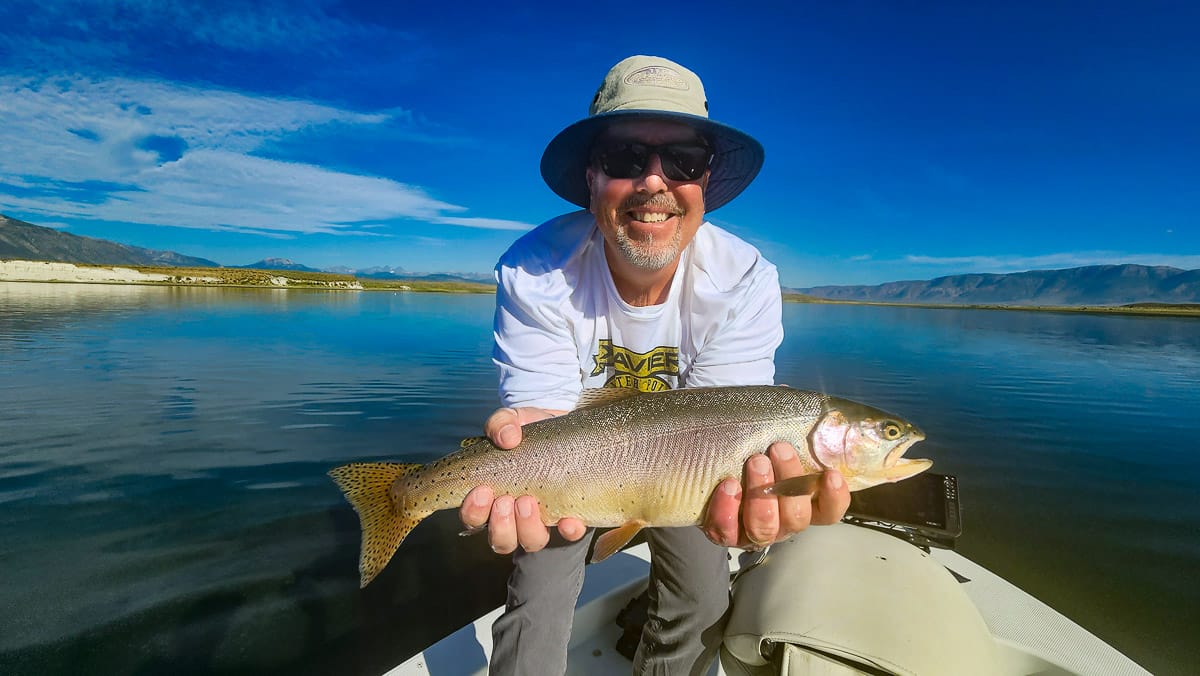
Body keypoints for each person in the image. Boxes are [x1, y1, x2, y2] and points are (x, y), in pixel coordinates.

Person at [458, 55, 851, 675]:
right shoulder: (534, 267)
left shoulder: (745, 278)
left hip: (688, 471)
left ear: (705, 181)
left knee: (703, 595)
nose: (653, 182)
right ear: (591, 177)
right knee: (537, 589)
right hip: (571, 463)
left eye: (683, 161)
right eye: (624, 160)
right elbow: (542, 415)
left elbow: (729, 425)